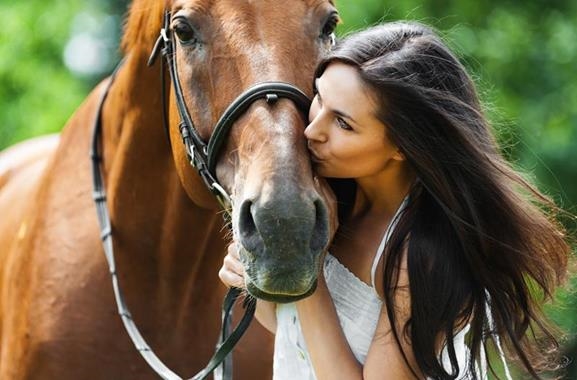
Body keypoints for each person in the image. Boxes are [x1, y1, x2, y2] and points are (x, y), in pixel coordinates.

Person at [219, 21, 571, 379]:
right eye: (319, 98)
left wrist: (309, 264)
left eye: (343, 123)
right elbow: (292, 331)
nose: (311, 130)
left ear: (404, 144)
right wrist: (259, 277)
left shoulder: (419, 254)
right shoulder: (329, 191)